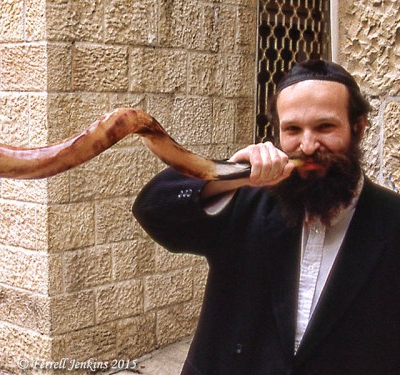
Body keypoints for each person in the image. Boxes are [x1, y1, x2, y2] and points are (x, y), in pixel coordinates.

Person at [132, 60, 400, 375]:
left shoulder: (392, 221)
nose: (308, 145)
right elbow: (153, 208)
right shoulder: (245, 198)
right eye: (293, 130)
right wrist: (231, 175)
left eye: (325, 127)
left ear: (358, 128)